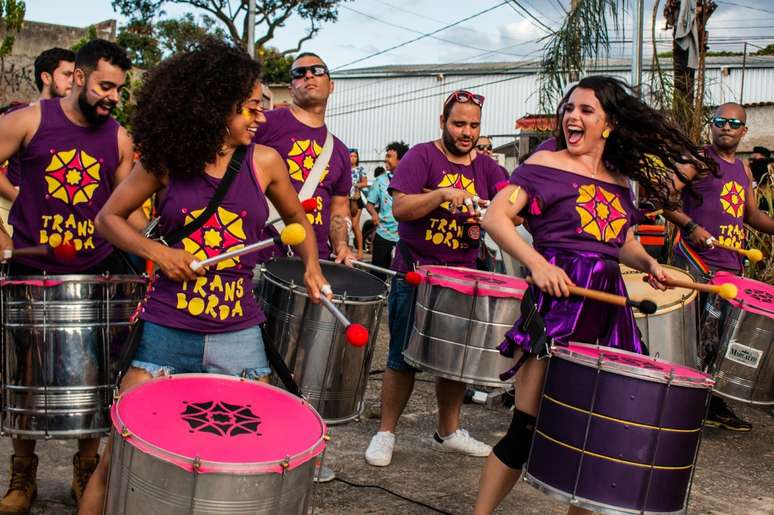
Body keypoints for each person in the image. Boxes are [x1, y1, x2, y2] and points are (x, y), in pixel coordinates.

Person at [78, 39, 328, 514]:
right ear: (215, 106)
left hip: (240, 333)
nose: (261, 118)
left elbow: (299, 222)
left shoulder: (265, 161)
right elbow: (108, 218)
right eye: (252, 108)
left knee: (250, 463)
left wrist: (312, 268)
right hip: (166, 331)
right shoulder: (167, 161)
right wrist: (157, 251)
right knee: (122, 459)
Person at [473, 76, 713, 514]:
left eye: (585, 110)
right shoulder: (544, 163)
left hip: (606, 306)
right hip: (558, 303)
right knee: (524, 429)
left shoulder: (619, 180)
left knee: (594, 435)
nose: (572, 117)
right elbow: (495, 218)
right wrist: (539, 264)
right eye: (569, 108)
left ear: (609, 123)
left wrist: (649, 264)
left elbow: (616, 238)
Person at [0, 39, 136, 514]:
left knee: (98, 378)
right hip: (30, 271)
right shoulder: (28, 120)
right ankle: (22, 477)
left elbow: (130, 209)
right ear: (77, 77)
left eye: (119, 89)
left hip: (96, 272)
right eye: (104, 86)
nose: (112, 97)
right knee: (25, 374)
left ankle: (85, 471)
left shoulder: (119, 137)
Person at [364, 90, 503, 467]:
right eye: (459, 123)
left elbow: (514, 211)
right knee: (401, 356)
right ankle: (386, 432)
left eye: (474, 125)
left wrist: (492, 210)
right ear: (442, 122)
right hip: (415, 273)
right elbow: (401, 208)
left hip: (464, 277)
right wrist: (442, 193)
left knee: (455, 358)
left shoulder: (488, 168)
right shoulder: (421, 156)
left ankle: (449, 431)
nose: (467, 132)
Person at [665, 102, 774, 432]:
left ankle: (708, 403)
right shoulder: (696, 159)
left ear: (744, 131)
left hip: (730, 267)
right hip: (696, 263)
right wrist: (690, 227)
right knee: (698, 339)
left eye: (733, 123)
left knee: (718, 342)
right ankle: (688, 406)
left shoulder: (744, 170)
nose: (726, 127)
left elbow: (751, 216)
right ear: (711, 126)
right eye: (719, 121)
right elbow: (663, 196)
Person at [253, 52, 353, 264]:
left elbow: (339, 208)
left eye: (317, 71)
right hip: (258, 255)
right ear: (291, 89)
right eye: (299, 73)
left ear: (331, 85)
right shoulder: (263, 123)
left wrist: (341, 245)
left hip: (312, 263)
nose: (308, 75)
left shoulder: (340, 151)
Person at [0, 47, 76, 203]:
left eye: (75, 76)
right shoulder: (18, 116)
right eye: (67, 74)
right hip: (15, 214)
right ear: (46, 78)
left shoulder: (79, 122)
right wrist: (19, 200)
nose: (73, 81)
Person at [366, 141, 408, 280]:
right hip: (383, 234)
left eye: (390, 156)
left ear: (400, 160)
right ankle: (377, 300)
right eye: (386, 156)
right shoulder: (380, 181)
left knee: (402, 277)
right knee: (378, 275)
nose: (386, 159)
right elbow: (370, 203)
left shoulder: (411, 179)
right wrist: (374, 216)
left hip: (404, 236)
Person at [349, 148, 368, 259]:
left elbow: (365, 183)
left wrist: (356, 186)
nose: (353, 158)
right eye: (351, 156)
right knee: (346, 224)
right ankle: (348, 247)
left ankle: (360, 250)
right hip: (345, 198)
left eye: (355, 156)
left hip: (356, 197)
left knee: (355, 225)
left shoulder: (360, 169)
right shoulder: (345, 168)